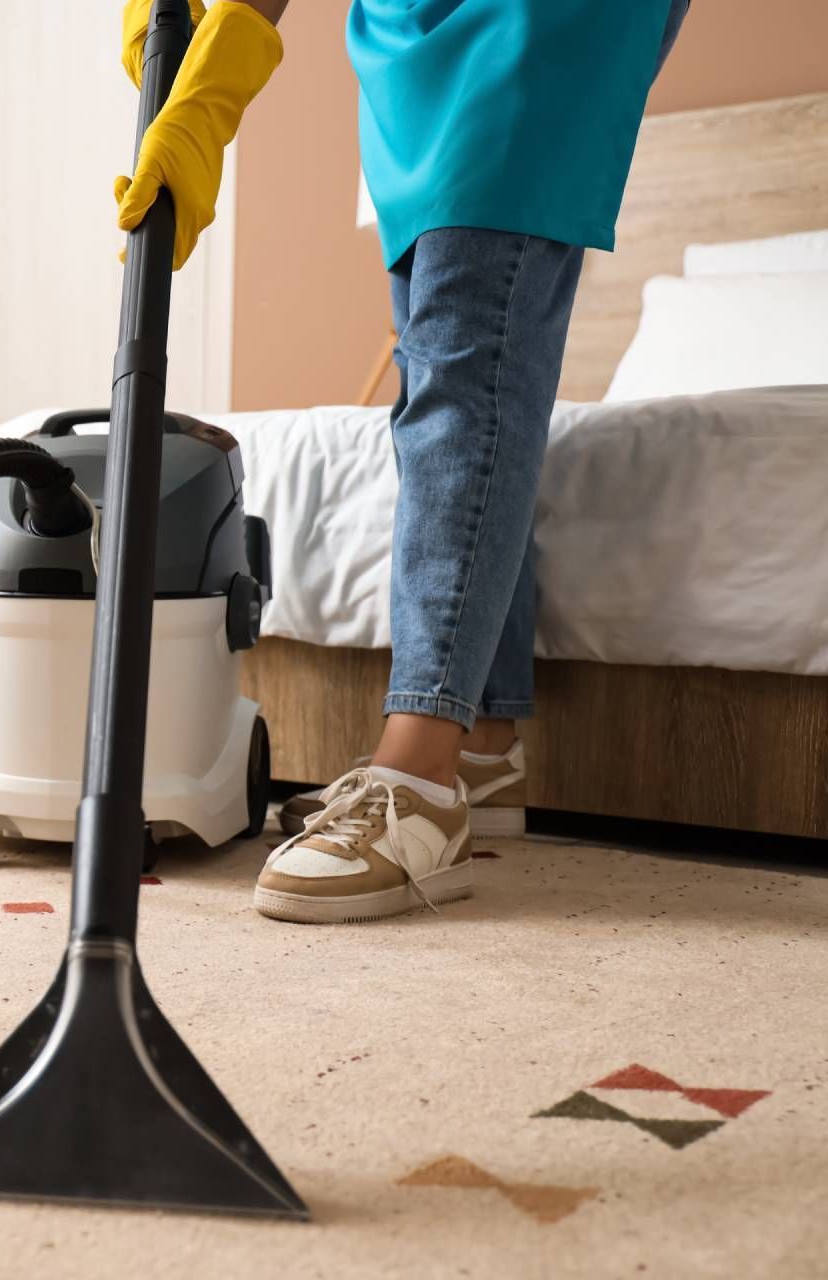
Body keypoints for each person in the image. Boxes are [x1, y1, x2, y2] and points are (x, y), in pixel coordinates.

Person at [116, 0, 687, 922]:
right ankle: (482, 740)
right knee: (437, 358)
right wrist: (203, 86)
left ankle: (419, 771)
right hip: (403, 34)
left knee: (466, 357)